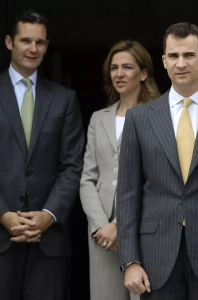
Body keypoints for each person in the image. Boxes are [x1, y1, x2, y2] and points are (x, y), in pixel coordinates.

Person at [116, 22, 198, 300]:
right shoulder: (139, 119)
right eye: (173, 56)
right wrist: (130, 260)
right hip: (155, 257)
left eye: (189, 55)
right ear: (163, 61)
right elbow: (127, 194)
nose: (181, 63)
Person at [0, 9, 84, 300]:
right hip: (1, 235)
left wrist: (48, 215)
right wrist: (3, 214)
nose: (33, 49)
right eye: (25, 40)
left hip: (49, 239)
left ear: (47, 46)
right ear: (10, 42)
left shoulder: (64, 99)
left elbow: (73, 165)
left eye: (40, 42)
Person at [80, 40, 160, 300]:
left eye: (127, 67)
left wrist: (119, 225)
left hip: (141, 227)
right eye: (114, 68)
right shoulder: (98, 117)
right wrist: (101, 225)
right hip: (101, 235)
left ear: (144, 73)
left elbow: (156, 179)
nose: (119, 74)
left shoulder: (158, 117)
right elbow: (88, 178)